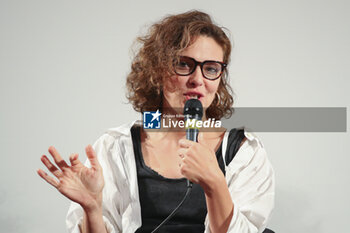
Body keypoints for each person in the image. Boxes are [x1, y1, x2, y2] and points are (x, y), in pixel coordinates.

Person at [37, 10, 275, 233]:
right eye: (183, 64)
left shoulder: (245, 151)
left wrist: (215, 183)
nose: (197, 79)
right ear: (158, 70)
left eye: (211, 68)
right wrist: (92, 209)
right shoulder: (115, 146)